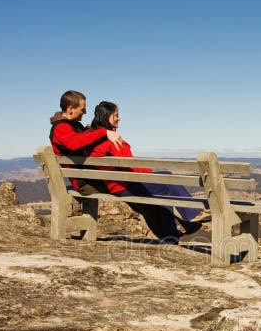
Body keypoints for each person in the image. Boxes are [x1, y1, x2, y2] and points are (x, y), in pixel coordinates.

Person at [85, 101, 204, 243]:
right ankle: (189, 217)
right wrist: (148, 174)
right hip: (124, 184)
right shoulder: (111, 140)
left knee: (165, 178)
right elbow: (129, 165)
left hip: (117, 182)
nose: (119, 118)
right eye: (116, 115)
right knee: (164, 188)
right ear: (106, 116)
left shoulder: (94, 136)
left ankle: (178, 229)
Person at [49, 90, 125, 195]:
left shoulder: (74, 125)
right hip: (85, 183)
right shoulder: (61, 128)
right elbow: (74, 143)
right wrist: (103, 132)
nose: (85, 112)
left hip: (91, 178)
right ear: (70, 109)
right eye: (82, 109)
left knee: (129, 187)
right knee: (126, 190)